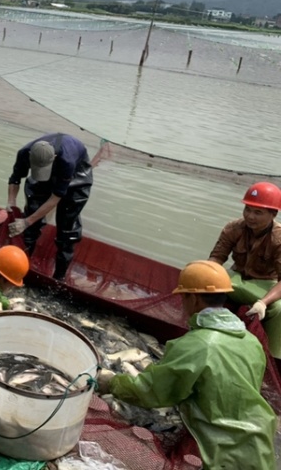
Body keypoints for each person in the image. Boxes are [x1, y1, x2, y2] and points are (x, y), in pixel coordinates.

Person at [97, 260, 277, 470]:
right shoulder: (251, 341)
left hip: (218, 454)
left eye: (183, 297)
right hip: (260, 444)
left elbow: (152, 391)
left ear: (193, 298)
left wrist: (112, 383)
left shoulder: (196, 345)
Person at [208, 181, 281, 359]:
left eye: (258, 212)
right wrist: (206, 274)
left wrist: (263, 303)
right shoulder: (233, 228)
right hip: (236, 277)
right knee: (203, 282)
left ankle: (273, 358)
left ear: (273, 214)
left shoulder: (279, 239)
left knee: (278, 309)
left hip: (264, 283)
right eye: (247, 209)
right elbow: (216, 259)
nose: (250, 216)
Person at [6, 132, 92, 281]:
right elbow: (15, 179)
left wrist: (27, 221)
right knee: (30, 223)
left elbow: (56, 198)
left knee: (67, 228)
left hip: (77, 176)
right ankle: (20, 269)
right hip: (44, 165)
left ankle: (59, 278)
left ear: (54, 159)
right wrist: (11, 202)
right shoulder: (24, 153)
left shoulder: (67, 161)